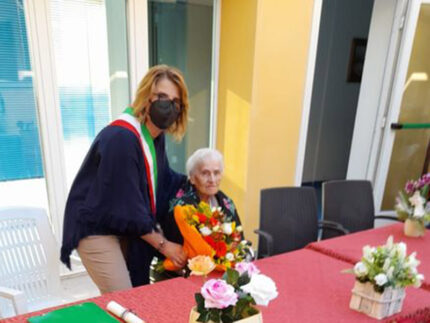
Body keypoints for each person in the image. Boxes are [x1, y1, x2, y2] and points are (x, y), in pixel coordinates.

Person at [61, 65, 189, 293]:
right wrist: (164, 245)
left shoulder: (155, 136)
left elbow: (164, 180)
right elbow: (128, 208)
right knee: (124, 300)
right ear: (146, 97)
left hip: (121, 223)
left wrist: (196, 182)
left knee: (136, 296)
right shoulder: (122, 138)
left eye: (174, 101)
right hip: (95, 226)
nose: (167, 105)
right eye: (161, 96)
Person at [160, 148, 242, 249]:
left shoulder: (226, 203)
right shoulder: (182, 208)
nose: (212, 180)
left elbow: (240, 241)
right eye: (205, 173)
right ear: (192, 178)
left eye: (216, 173)